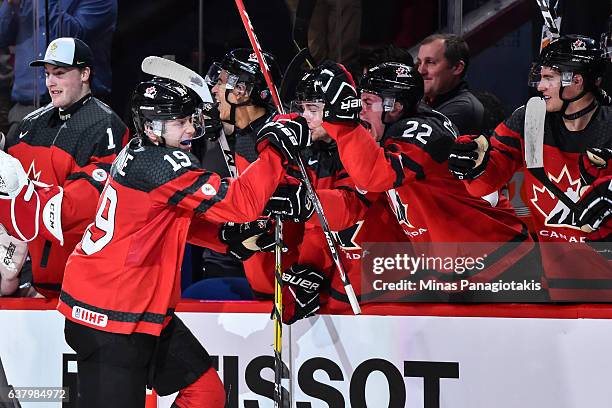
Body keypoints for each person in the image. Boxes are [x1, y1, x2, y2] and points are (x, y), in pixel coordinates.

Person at [50, 76, 309, 407]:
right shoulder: (161, 163)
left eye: (191, 119)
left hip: (136, 307)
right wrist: (275, 149)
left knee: (205, 393)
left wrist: (225, 237)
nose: (191, 129)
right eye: (181, 122)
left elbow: (168, 217)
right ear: (153, 126)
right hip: (109, 317)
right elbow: (242, 203)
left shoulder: (143, 151)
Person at [310, 60, 545, 302]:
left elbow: (375, 175)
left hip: (502, 262)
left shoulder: (424, 130)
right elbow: (357, 197)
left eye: (368, 103)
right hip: (458, 273)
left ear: (395, 106)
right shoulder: (388, 138)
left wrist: (341, 121)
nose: (359, 111)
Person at [448, 34, 612, 300]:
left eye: (549, 78)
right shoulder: (530, 118)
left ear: (577, 81)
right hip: (558, 287)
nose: (540, 86)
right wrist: (472, 166)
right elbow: (483, 186)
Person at [0, 37, 128, 298]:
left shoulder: (107, 127)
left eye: (59, 73)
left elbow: (83, 209)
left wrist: (23, 202)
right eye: (47, 74)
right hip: (24, 277)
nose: (50, 83)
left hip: (80, 284)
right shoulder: (29, 124)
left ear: (85, 73)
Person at [206, 48, 305, 297]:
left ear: (241, 91)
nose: (215, 89)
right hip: (258, 279)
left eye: (220, 82)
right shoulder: (240, 132)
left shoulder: (277, 139)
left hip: (292, 285)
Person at [0, 0, 117, 145]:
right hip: (26, 107)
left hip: (80, 108)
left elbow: (72, 37)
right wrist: (10, 4)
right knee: (17, 163)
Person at [415, 33, 484, 135]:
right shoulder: (426, 100)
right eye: (419, 62)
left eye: (430, 62)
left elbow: (417, 141)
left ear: (457, 68)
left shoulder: (463, 108)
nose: (421, 71)